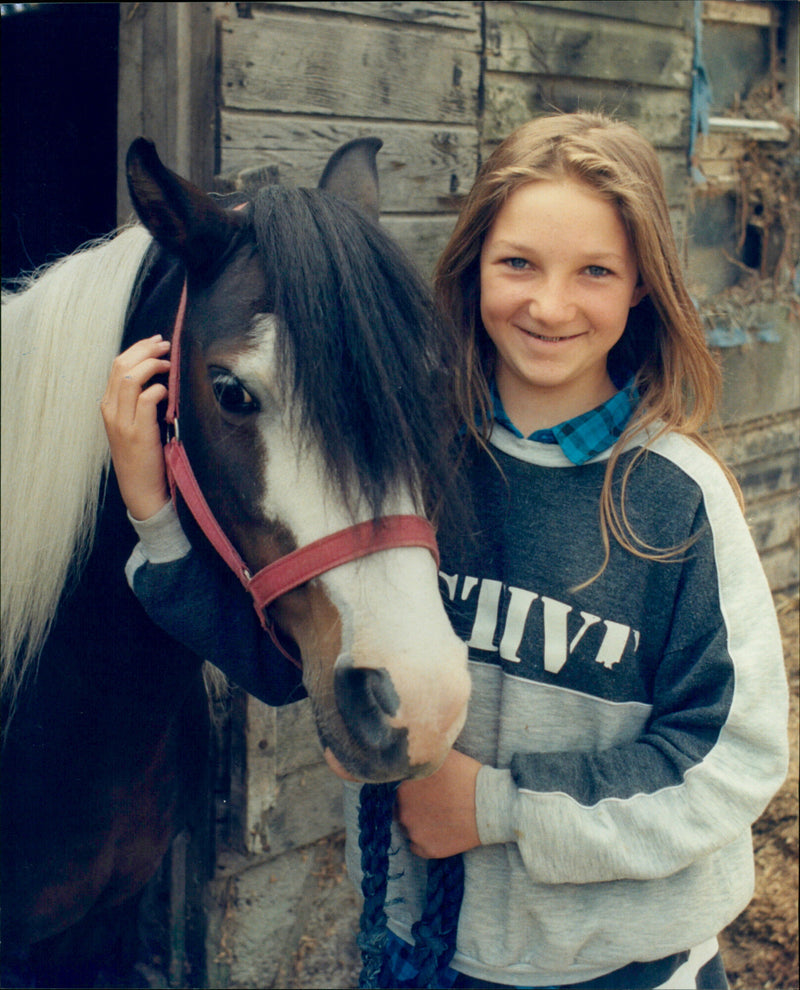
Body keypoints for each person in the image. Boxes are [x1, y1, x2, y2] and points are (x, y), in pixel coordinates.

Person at [103, 112, 788, 990]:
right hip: (417, 949)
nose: (549, 304)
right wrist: (154, 515)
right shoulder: (408, 458)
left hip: (622, 966)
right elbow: (295, 668)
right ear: (473, 267)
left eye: (595, 271)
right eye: (519, 264)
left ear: (641, 288)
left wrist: (492, 808)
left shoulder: (677, 501)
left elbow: (733, 760)